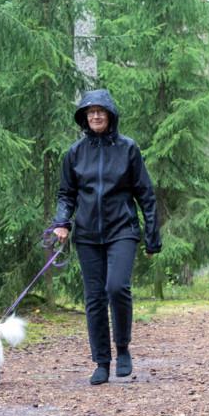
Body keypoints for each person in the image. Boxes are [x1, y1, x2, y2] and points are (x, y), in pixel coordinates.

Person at [51, 89, 161, 385]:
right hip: (87, 234)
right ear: (85, 118)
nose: (96, 116)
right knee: (95, 298)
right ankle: (101, 361)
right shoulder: (74, 153)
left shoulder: (128, 148)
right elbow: (66, 194)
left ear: (110, 115)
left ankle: (122, 348)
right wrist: (61, 222)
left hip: (122, 229)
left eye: (101, 111)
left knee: (117, 288)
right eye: (90, 112)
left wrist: (152, 236)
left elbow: (146, 195)